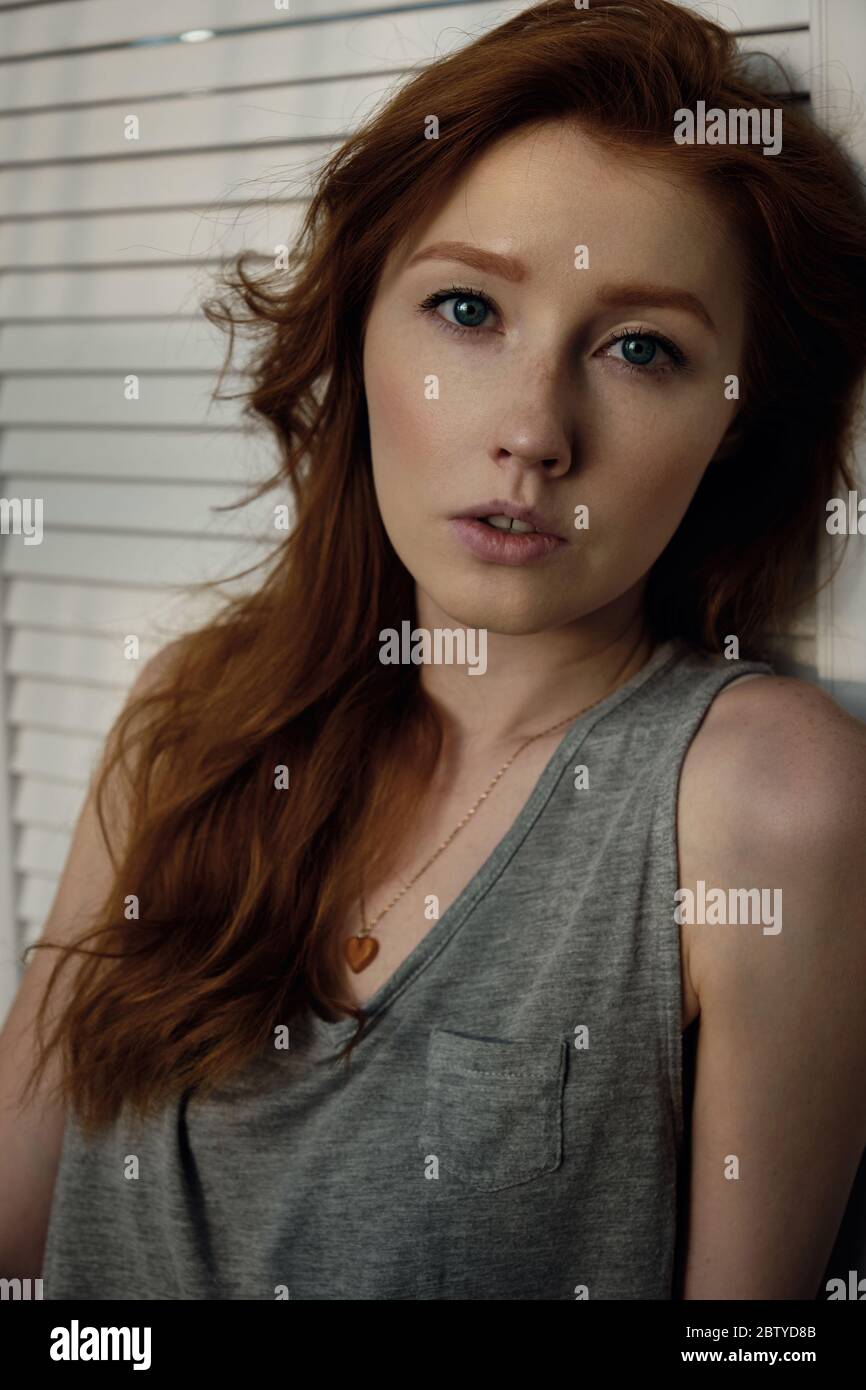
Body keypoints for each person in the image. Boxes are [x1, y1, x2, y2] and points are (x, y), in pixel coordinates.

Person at [2, 0, 866, 1301]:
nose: (531, 428)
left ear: (731, 429)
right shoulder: (192, 709)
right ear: (359, 333)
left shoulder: (760, 799)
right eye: (466, 308)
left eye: (642, 348)